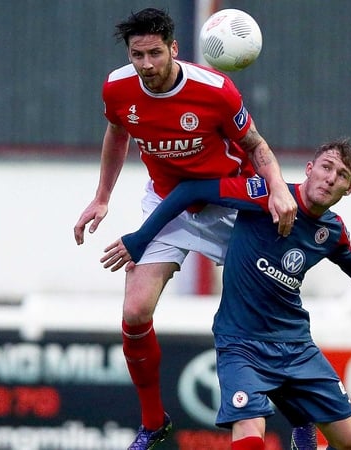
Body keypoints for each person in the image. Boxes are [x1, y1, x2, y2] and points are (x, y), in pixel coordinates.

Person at [103, 138, 351, 450]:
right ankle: (298, 420)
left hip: (296, 345)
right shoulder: (262, 195)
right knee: (251, 438)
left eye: (341, 175)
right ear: (310, 168)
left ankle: (300, 423)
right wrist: (142, 238)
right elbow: (191, 190)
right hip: (242, 344)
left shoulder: (331, 231)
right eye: (326, 167)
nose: (330, 178)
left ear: (349, 189)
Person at [72, 7, 298, 449]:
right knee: (135, 311)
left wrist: (276, 187)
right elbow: (117, 134)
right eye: (137, 54)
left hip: (226, 204)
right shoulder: (118, 88)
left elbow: (255, 145)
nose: (146, 65)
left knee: (271, 313)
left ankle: (303, 412)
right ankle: (154, 422)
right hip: (166, 206)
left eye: (155, 53)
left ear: (174, 48)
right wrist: (102, 197)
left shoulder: (216, 91)